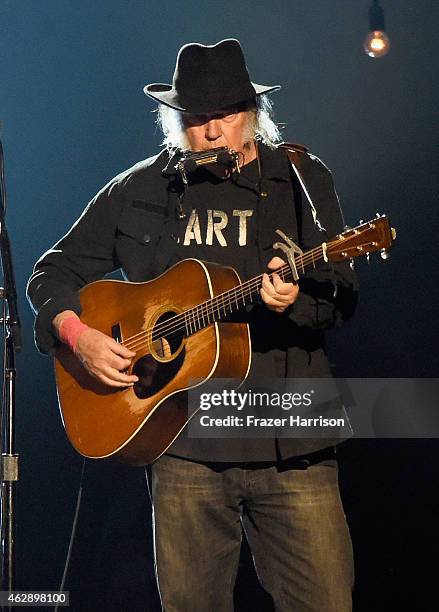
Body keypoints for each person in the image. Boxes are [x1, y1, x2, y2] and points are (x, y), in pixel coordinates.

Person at [27, 39, 357, 611]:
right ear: (175, 120)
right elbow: (52, 273)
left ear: (252, 113)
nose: (211, 132)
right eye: (197, 118)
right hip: (181, 442)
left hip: (290, 438)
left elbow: (343, 293)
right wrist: (79, 337)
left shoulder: (299, 177)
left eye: (225, 116)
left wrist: (294, 298)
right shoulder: (141, 187)